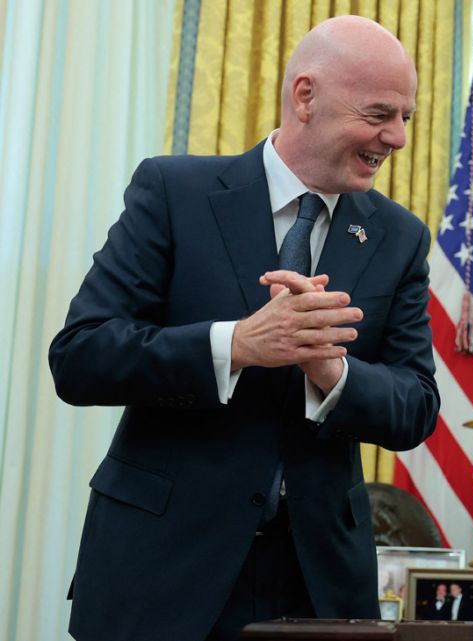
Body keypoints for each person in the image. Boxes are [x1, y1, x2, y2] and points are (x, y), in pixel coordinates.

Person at [48, 15, 440, 641]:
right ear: (305, 96)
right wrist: (235, 345)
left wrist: (332, 373)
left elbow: (417, 405)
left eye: (405, 119)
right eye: (378, 114)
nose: (394, 138)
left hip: (317, 585)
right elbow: (81, 354)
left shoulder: (399, 237)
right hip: (163, 571)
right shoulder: (175, 191)